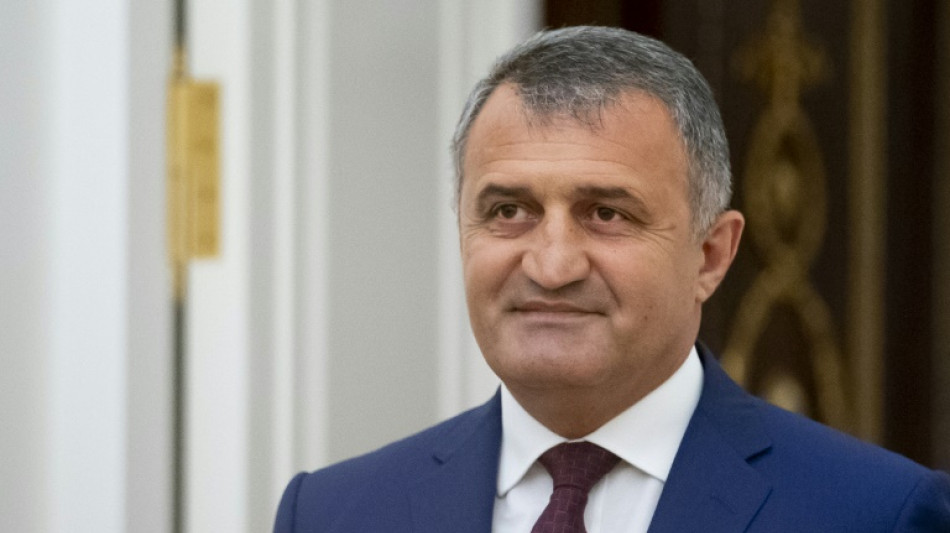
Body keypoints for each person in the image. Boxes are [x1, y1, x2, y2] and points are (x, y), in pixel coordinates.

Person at [274, 26, 950, 532]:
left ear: (710, 255)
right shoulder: (334, 513)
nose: (551, 265)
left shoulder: (874, 513)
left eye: (606, 213)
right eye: (508, 211)